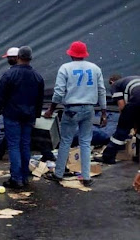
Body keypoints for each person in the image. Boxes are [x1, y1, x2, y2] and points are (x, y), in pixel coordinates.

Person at [43, 42, 106, 187]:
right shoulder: (95, 68)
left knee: (65, 141)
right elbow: (101, 90)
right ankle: (86, 177)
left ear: (71, 54)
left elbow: (59, 92)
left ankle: (58, 174)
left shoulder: (65, 68)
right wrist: (103, 112)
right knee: (85, 141)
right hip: (90, 108)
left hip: (71, 108)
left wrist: (51, 109)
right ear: (85, 54)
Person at [0, 46, 44, 189]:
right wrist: (36, 116)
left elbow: (0, 95)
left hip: (12, 114)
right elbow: (40, 99)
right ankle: (25, 176)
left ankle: (16, 178)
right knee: (25, 145)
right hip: (29, 115)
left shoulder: (9, 75)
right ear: (30, 58)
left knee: (14, 145)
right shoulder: (37, 76)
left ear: (18, 57)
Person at [97, 75, 140, 164]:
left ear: (112, 82)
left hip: (136, 100)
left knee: (121, 132)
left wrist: (124, 121)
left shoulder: (115, 85)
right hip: (137, 99)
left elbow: (121, 106)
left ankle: (108, 157)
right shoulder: (132, 79)